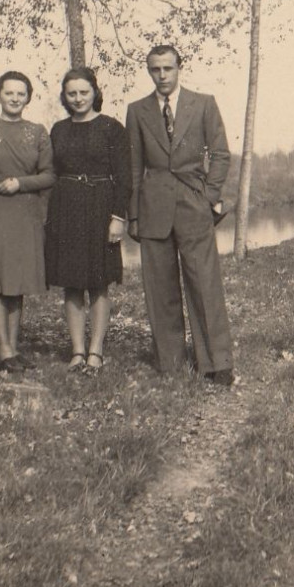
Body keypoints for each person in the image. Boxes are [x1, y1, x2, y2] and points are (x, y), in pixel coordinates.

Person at [126, 45, 234, 385]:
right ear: (149, 71)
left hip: (193, 203)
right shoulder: (137, 110)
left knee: (204, 283)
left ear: (178, 68)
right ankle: (170, 361)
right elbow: (133, 167)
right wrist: (133, 216)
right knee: (160, 287)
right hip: (153, 206)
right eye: (155, 69)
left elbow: (220, 154)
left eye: (167, 69)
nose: (162, 76)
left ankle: (216, 362)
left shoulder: (203, 103)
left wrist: (209, 197)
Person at [0, 72, 56, 373]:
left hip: (26, 213)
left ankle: (14, 349)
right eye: (9, 93)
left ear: (28, 97)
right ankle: (3, 349)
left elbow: (49, 174)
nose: (15, 99)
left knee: (16, 282)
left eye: (21, 94)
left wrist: (19, 183)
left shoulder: (37, 131)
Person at [45, 68, 130, 374]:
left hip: (100, 206)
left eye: (84, 92)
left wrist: (118, 218)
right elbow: (51, 172)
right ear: (64, 97)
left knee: (98, 282)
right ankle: (77, 351)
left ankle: (96, 351)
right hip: (66, 207)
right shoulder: (58, 129)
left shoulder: (112, 128)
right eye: (72, 93)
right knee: (70, 283)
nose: (78, 98)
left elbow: (124, 178)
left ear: (94, 92)